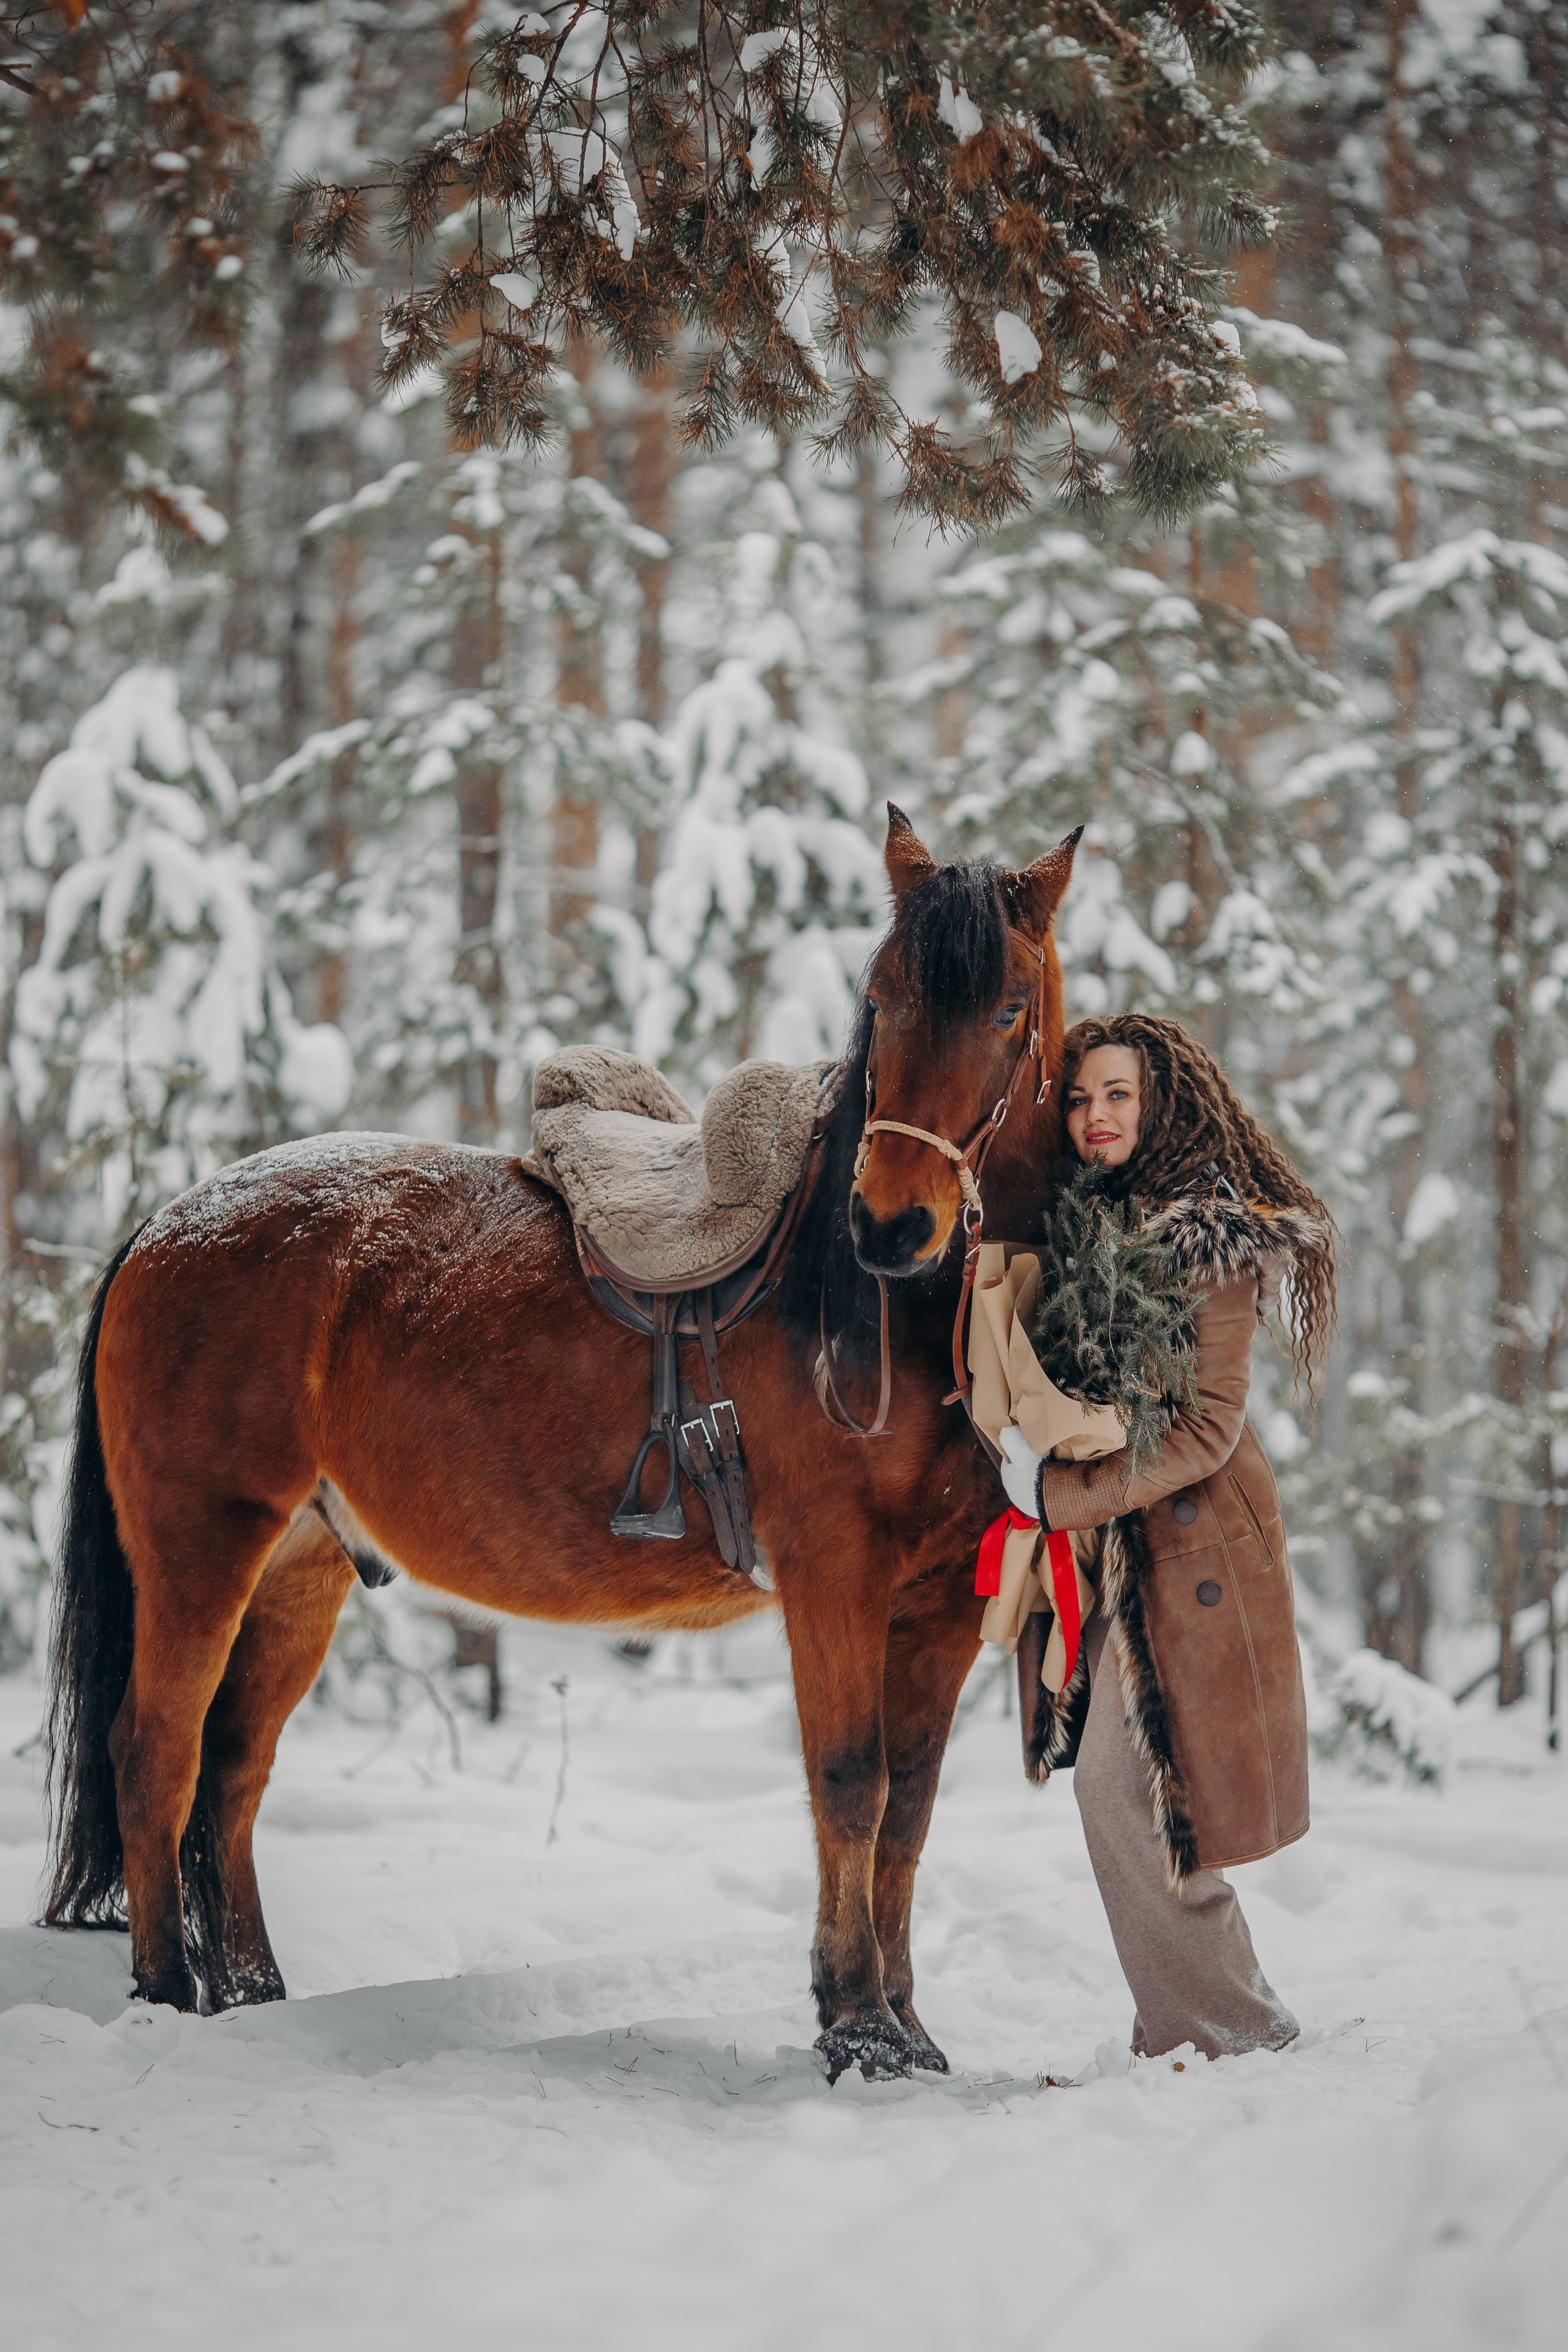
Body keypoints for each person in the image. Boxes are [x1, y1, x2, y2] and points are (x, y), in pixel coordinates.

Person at [997, 1012, 1337, 2062]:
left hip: (1194, 1553)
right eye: (1082, 1097)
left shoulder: (1208, 1236)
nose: (1095, 1117)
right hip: (1117, 1556)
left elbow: (1203, 1431)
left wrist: (1059, 1495)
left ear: (1163, 1104)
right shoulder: (1086, 1226)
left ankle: (1220, 2029)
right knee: (1140, 1794)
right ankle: (1210, 2021)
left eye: (1119, 1096)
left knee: (1126, 1783)